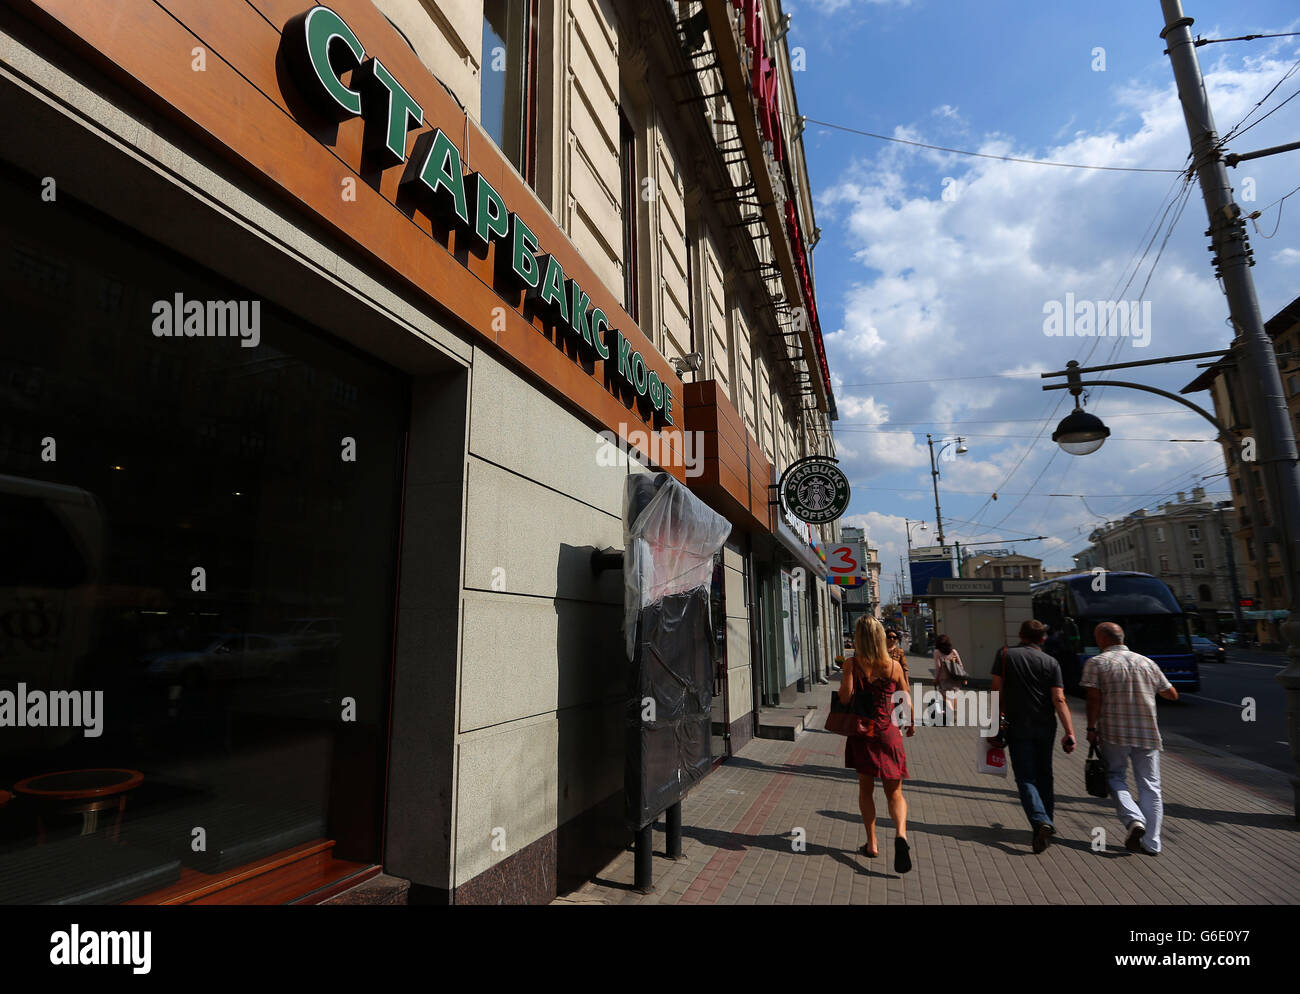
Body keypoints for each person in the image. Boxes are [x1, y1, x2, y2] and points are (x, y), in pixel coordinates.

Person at [1080, 622, 1178, 856]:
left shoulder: (1097, 663)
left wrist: (1091, 727)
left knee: (1115, 776)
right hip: (1147, 732)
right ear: (1121, 638)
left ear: (1102, 639)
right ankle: (1152, 843)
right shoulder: (1147, 662)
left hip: (1115, 732)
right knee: (1151, 786)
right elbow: (1171, 694)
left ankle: (1134, 819)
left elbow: (1093, 699)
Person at [990, 619, 1078, 853]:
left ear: (1020, 634)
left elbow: (996, 690)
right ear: (1042, 639)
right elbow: (1059, 699)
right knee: (1045, 776)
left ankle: (1040, 821)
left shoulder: (1005, 654)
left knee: (1026, 778)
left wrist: (993, 721)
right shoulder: (1051, 662)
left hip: (1017, 725)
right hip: (1046, 727)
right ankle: (1046, 822)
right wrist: (1070, 731)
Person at [841, 615, 915, 873]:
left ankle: (872, 843)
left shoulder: (852, 663)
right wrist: (912, 723)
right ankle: (901, 835)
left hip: (864, 734)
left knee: (866, 789)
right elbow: (906, 697)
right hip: (890, 732)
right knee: (895, 792)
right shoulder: (893, 666)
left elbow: (845, 696)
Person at [932, 634, 967, 724]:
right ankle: (955, 712)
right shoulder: (953, 651)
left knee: (944, 695)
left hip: (944, 678)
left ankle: (950, 713)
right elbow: (960, 664)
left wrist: (936, 679)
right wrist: (964, 677)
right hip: (955, 677)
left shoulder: (937, 652)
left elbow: (938, 667)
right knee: (954, 695)